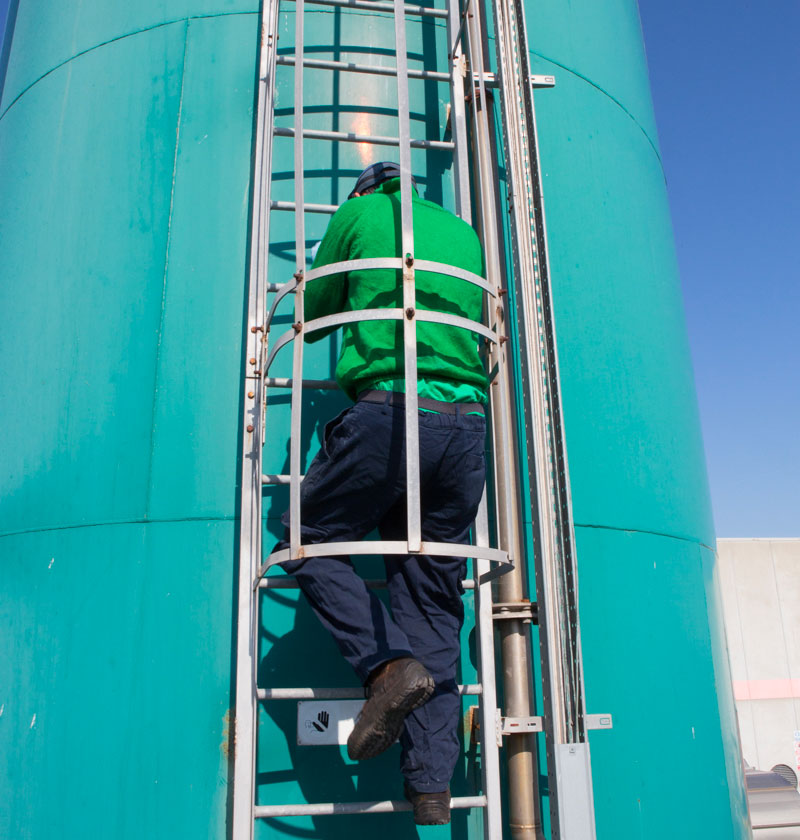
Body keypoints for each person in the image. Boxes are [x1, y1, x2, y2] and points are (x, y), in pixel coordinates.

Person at [277, 162, 488, 825]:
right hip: (467, 433)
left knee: (304, 536)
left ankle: (386, 666)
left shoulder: (361, 213)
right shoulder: (461, 231)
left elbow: (313, 313)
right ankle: (431, 785)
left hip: (394, 411)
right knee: (432, 599)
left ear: (367, 186)